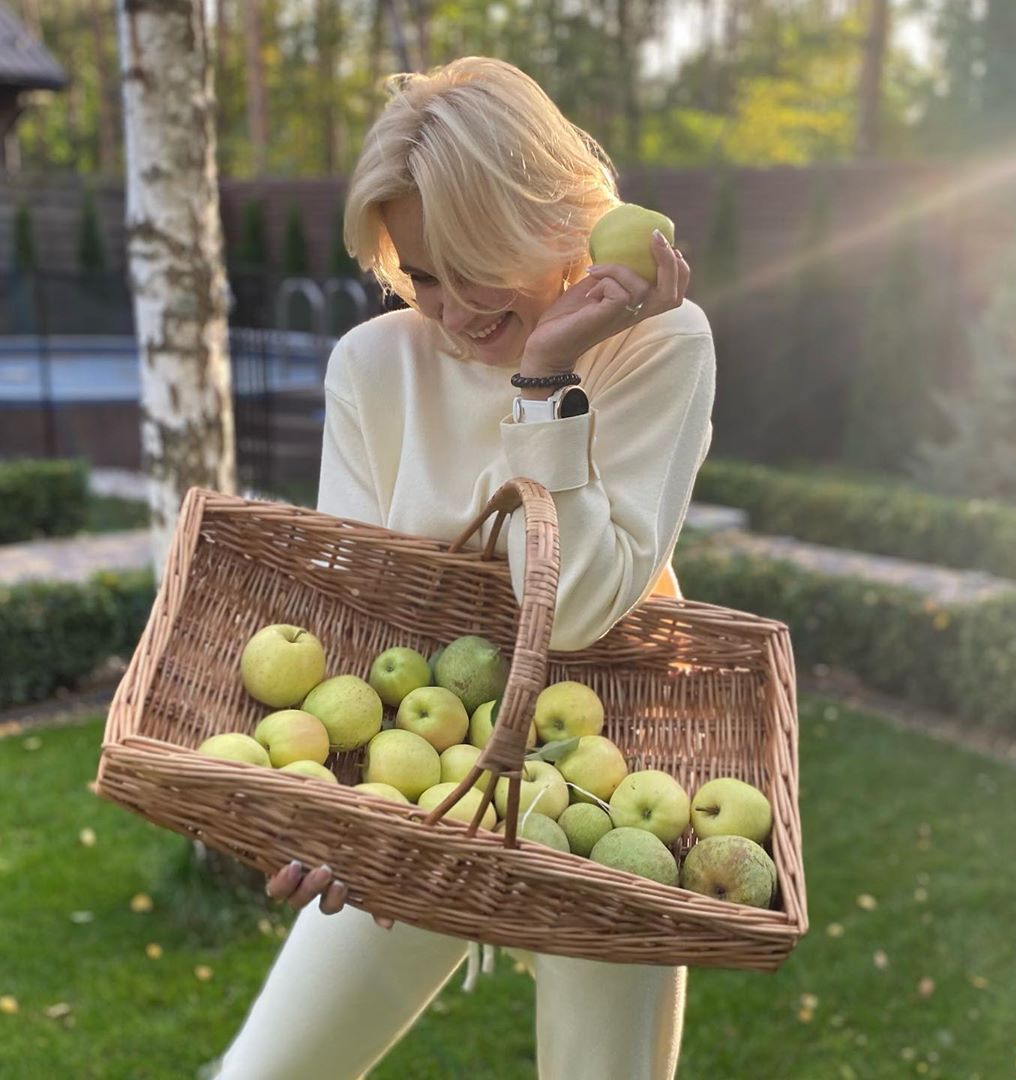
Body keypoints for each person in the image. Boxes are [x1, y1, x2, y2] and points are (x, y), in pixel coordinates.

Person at [209, 55, 716, 1080]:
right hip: (420, 763)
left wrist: (545, 383)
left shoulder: (660, 346)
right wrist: (327, 803)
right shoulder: (372, 365)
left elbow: (573, 613)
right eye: (424, 274)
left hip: (610, 783)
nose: (455, 310)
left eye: (481, 264)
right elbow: (356, 617)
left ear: (550, 222)